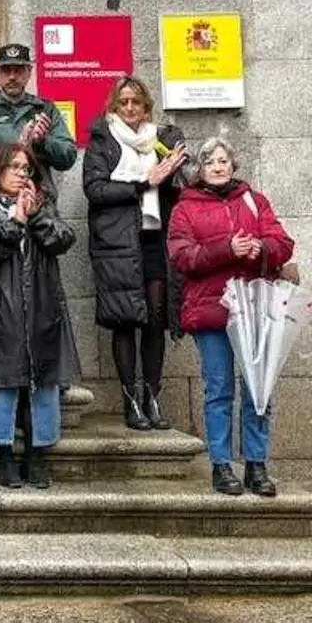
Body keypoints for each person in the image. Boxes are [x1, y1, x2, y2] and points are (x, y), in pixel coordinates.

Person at [168, 137, 294, 497]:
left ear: (233, 165)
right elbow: (182, 257)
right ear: (200, 169)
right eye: (210, 162)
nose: (219, 166)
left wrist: (261, 248)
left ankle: (256, 464)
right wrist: (227, 249)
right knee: (219, 389)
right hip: (211, 311)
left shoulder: (255, 201)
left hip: (255, 310)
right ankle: (222, 466)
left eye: (224, 160)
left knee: (258, 389)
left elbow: (282, 243)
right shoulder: (185, 208)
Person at [0, 144, 81, 489]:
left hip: (40, 305)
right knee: (0, 381)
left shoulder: (41, 205)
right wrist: (15, 221)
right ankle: (3, 455)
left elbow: (63, 239)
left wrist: (35, 216)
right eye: (13, 166)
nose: (21, 173)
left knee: (40, 381)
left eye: (26, 168)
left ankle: (36, 452)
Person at [83, 76, 189, 431]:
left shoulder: (160, 139)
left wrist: (174, 168)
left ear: (147, 107)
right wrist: (146, 182)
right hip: (117, 243)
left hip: (154, 238)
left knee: (156, 319)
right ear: (114, 106)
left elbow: (182, 186)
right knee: (125, 320)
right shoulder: (103, 139)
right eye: (123, 102)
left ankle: (152, 398)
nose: (130, 108)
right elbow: (95, 190)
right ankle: (130, 401)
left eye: (137, 103)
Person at [0, 43, 77, 189]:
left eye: (18, 70)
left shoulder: (45, 109)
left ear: (29, 72)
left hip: (38, 198)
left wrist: (43, 142)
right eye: (6, 70)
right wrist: (17, 147)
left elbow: (68, 157)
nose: (12, 77)